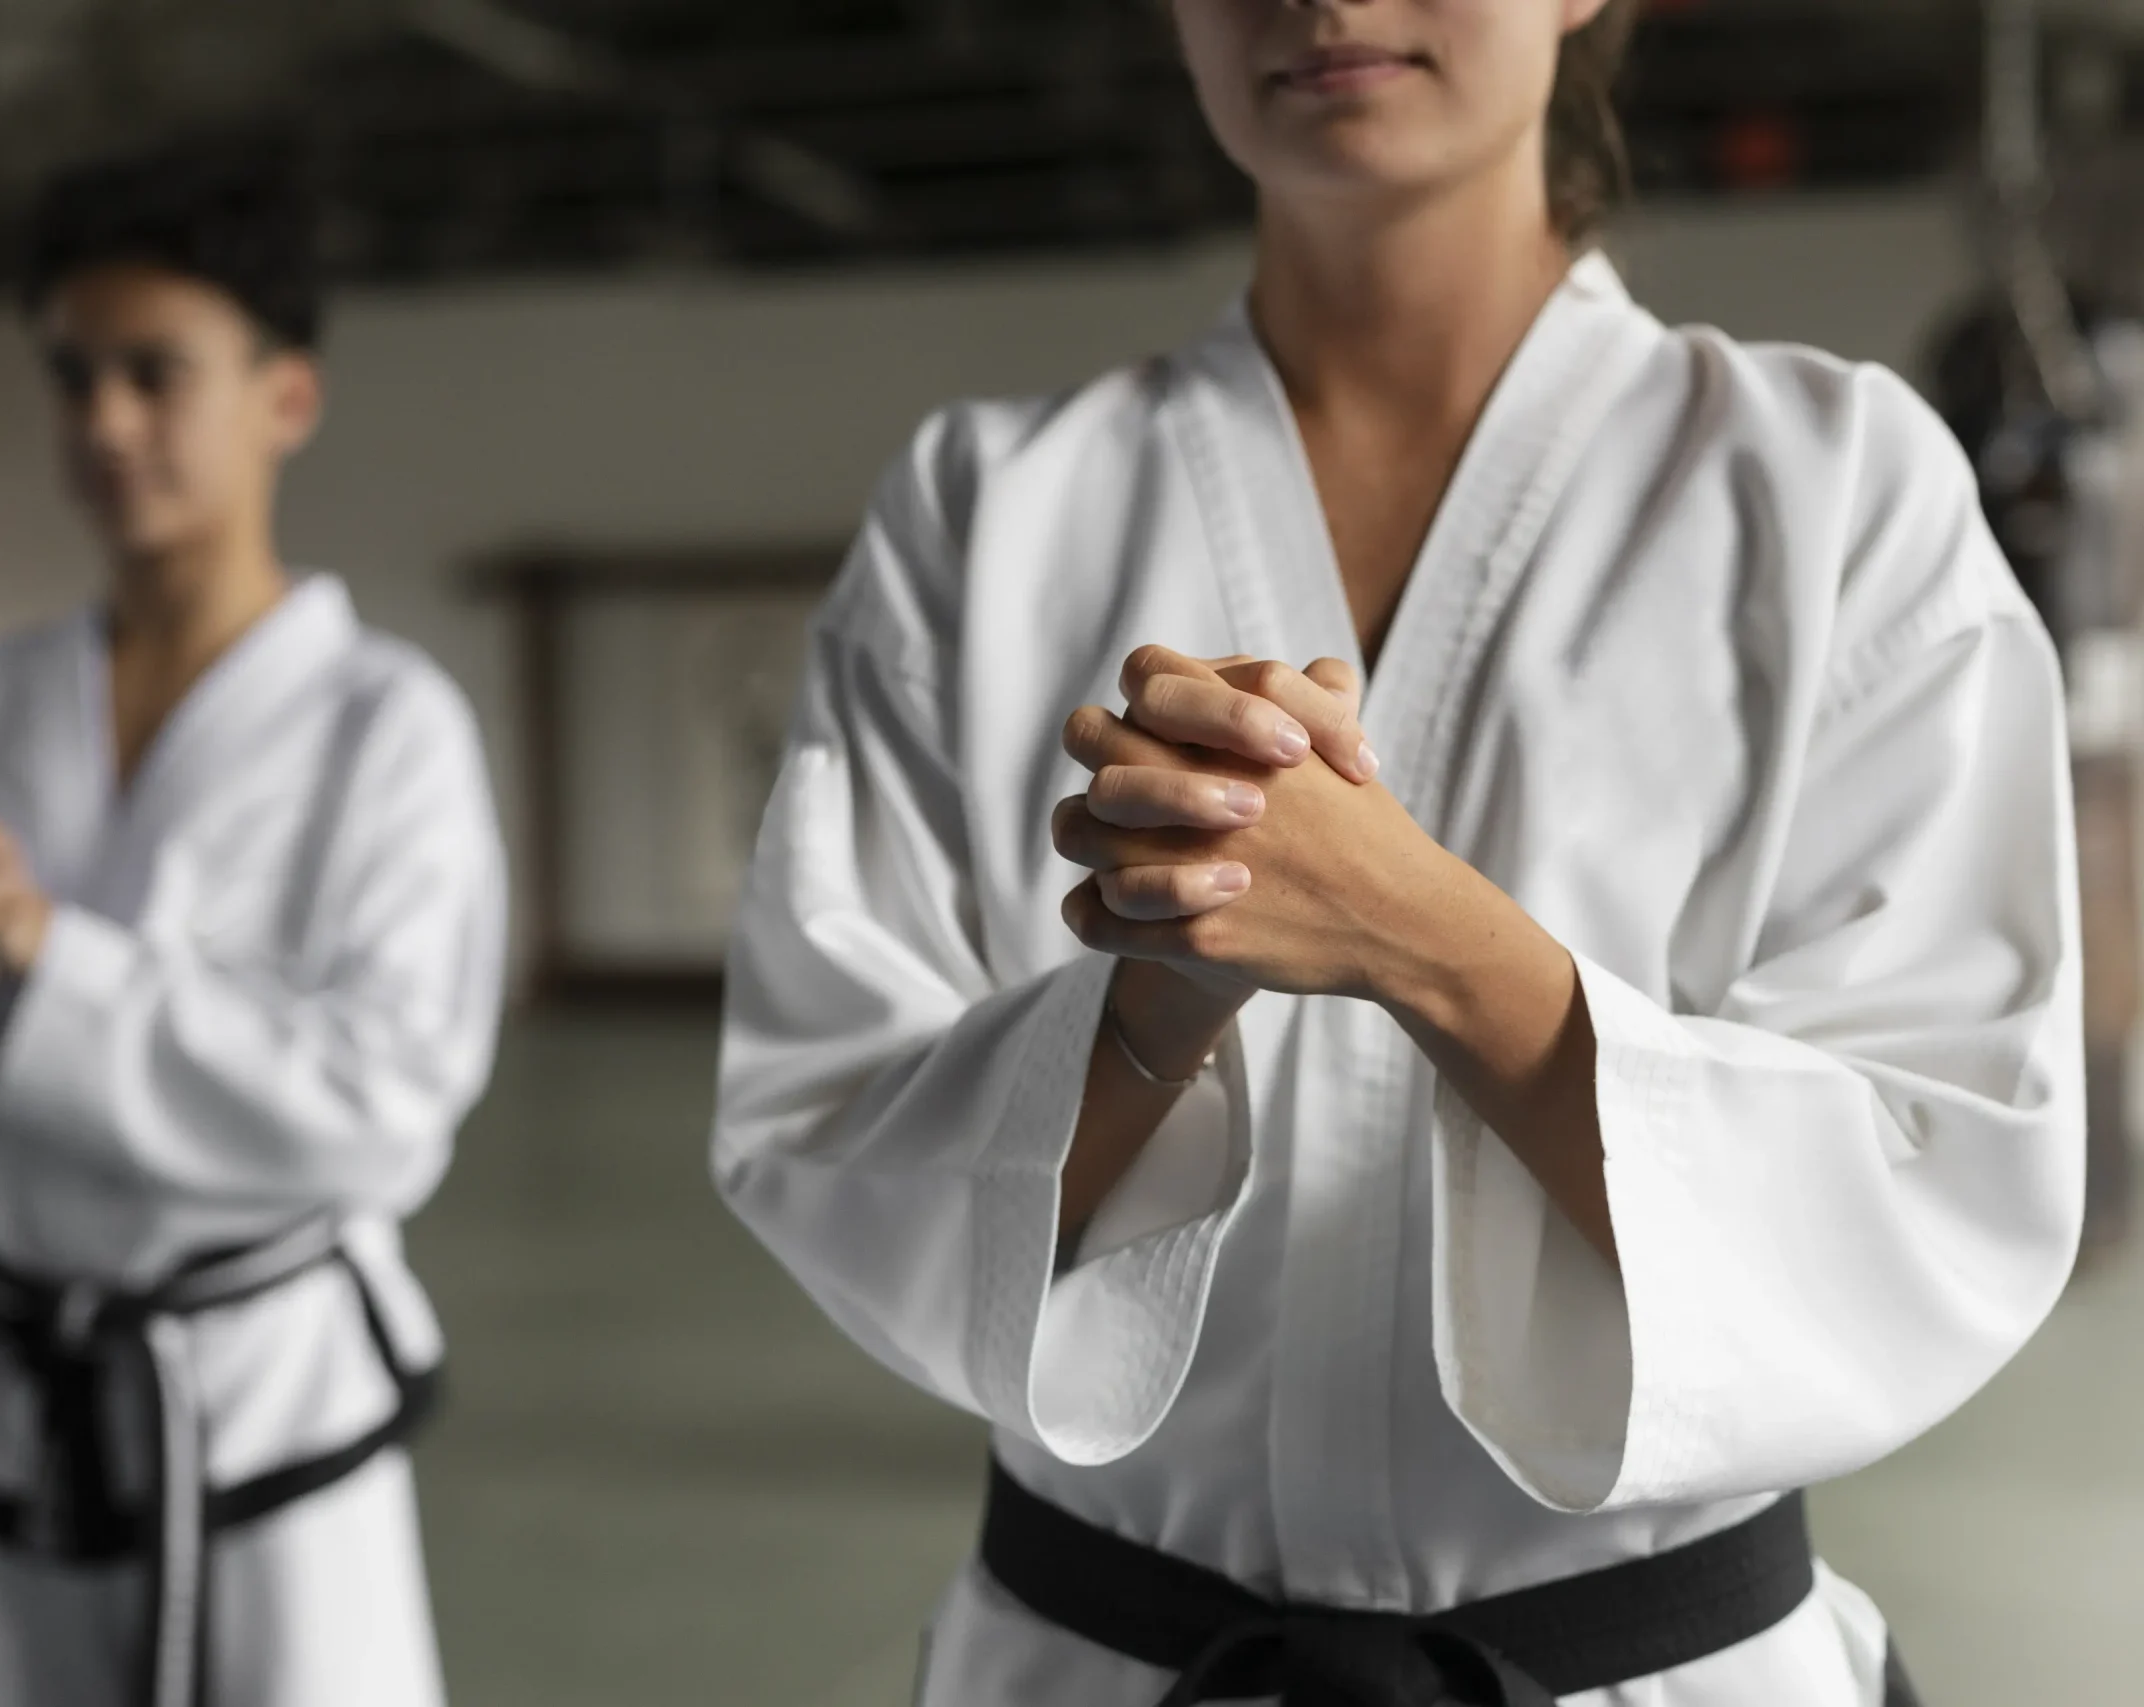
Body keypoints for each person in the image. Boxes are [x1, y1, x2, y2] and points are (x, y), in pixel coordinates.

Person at [712, 2, 2082, 1703]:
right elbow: (829, 1123)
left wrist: (1424, 939)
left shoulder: (1834, 491)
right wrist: (1146, 1008)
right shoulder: (985, 510)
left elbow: (1940, 1172)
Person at [0, 144, 505, 1707]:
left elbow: (388, 1101)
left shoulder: (386, 727)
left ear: (285, 398)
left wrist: (50, 968)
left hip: (261, 1403)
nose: (104, 421)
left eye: (155, 373)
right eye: (72, 375)